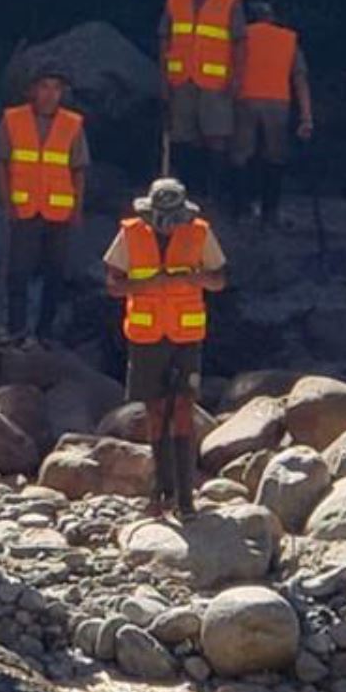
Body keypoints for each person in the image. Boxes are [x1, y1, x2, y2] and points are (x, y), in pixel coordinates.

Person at [103, 178, 228, 519]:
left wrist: (196, 279)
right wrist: (148, 284)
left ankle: (186, 498)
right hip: (146, 337)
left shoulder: (200, 232)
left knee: (184, 409)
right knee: (156, 412)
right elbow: (113, 285)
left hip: (186, 336)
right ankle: (161, 490)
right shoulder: (130, 233)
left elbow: (219, 280)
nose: (169, 225)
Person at [0, 66, 89, 344]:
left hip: (59, 212)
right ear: (32, 90)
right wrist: (7, 202)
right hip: (24, 209)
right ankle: (17, 330)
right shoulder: (13, 119)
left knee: (55, 275)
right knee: (18, 273)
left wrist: (77, 210)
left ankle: (45, 332)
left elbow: (79, 170)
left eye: (56, 88)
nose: (50, 94)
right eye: (44, 86)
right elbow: (0, 164)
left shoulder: (72, 124)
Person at [161, 0, 246, 202]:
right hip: (181, 79)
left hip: (215, 82)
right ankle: (188, 192)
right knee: (183, 136)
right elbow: (164, 38)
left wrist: (236, 78)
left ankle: (214, 194)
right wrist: (164, 77)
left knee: (216, 136)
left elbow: (239, 43)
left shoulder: (230, 1)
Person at [231, 2, 314, 225]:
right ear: (273, 17)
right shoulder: (288, 39)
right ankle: (270, 211)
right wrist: (306, 116)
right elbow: (300, 78)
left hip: (245, 99)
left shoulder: (241, 36)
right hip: (277, 102)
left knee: (241, 156)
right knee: (275, 156)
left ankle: (241, 209)